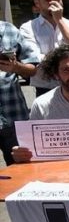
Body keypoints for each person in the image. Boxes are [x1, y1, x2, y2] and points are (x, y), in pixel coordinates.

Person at [19, 0, 69, 95]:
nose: (55, 4)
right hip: (46, 89)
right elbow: (35, 58)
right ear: (37, 4)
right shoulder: (28, 28)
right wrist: (66, 58)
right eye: (48, 1)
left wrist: (59, 21)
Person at [0, 21, 39, 165]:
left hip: (13, 115)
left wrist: (15, 66)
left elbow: (33, 68)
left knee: (21, 168)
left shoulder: (9, 30)